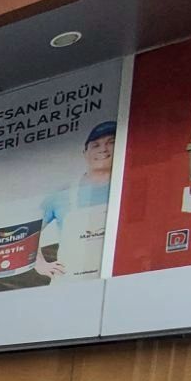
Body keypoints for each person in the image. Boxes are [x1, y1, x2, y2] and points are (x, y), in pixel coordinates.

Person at [34, 121, 115, 283]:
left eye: (111, 142)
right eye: (95, 145)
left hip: (115, 280)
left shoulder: (130, 186)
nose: (103, 149)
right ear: (85, 152)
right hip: (69, 284)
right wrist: (40, 264)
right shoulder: (62, 194)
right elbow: (27, 232)